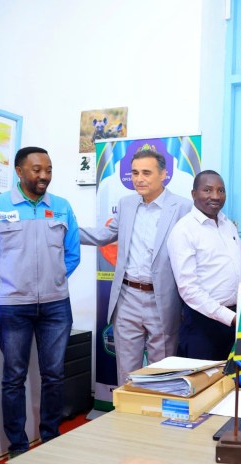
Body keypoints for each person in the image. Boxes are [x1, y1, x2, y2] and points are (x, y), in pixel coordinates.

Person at [0, 146, 80, 457]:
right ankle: (18, 447)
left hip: (56, 306)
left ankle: (51, 439)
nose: (44, 175)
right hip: (13, 307)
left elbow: (72, 254)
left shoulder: (61, 207)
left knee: (54, 375)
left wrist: (54, 281)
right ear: (19, 171)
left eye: (48, 169)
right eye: (37, 169)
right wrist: (4, 290)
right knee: (13, 378)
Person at [79, 149, 192, 386]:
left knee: (161, 373)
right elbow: (105, 234)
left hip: (163, 299)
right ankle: (127, 410)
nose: (139, 179)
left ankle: (156, 409)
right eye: (135, 173)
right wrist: (68, 230)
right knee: (127, 373)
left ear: (163, 174)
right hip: (127, 297)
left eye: (146, 173)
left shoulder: (183, 207)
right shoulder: (126, 204)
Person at [167, 170, 241, 361]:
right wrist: (229, 317)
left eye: (221, 190)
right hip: (203, 323)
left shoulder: (228, 225)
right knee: (204, 378)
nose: (216, 196)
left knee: (232, 377)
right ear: (194, 194)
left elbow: (226, 271)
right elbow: (188, 289)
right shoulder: (183, 230)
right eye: (208, 190)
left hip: (234, 319)